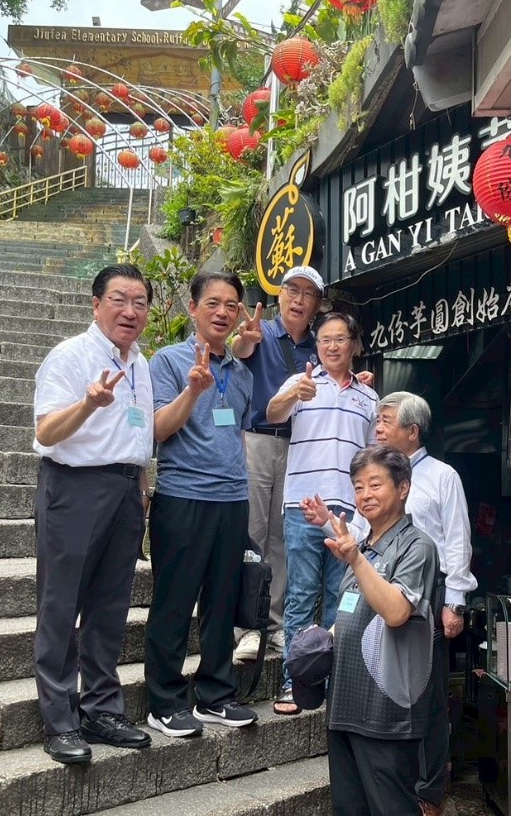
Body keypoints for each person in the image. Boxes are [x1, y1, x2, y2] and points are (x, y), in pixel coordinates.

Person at [303, 391, 475, 816]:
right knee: (389, 696)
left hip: (423, 600)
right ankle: (391, 789)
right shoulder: (374, 477)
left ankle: (430, 792)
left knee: (427, 699)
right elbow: (361, 534)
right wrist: (327, 521)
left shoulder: (442, 476)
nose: (377, 427)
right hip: (376, 598)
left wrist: (455, 600)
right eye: (376, 421)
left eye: (386, 421)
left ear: (412, 431)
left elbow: (455, 540)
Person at [31, 264, 155, 764]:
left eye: (140, 301)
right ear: (96, 303)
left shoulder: (140, 363)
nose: (131, 311)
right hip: (75, 487)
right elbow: (46, 433)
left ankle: (101, 708)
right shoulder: (70, 356)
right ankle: (60, 719)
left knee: (109, 606)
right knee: (62, 604)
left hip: (127, 491)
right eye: (120, 299)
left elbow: (136, 433)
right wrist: (87, 403)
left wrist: (141, 488)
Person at [229, 266, 373, 662]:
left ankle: (271, 625)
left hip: (299, 447)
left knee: (281, 541)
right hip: (259, 439)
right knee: (254, 535)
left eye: (308, 294)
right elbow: (240, 353)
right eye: (292, 290)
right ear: (280, 295)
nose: (298, 299)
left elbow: (334, 379)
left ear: (317, 304)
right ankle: (246, 628)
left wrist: (356, 383)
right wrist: (243, 341)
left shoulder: (317, 343)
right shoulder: (261, 332)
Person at [322, 445, 441, 816]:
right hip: (346, 707)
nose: (365, 494)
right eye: (358, 486)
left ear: (403, 488)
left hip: (387, 713)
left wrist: (355, 561)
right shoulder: (364, 546)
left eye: (375, 484)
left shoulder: (417, 548)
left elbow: (395, 611)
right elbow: (349, 617)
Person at [145, 270, 258, 739]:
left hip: (232, 499)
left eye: (232, 305)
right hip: (182, 495)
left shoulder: (243, 373)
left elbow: (233, 433)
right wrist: (193, 388)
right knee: (174, 601)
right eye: (213, 303)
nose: (223, 312)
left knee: (222, 601)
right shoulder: (168, 361)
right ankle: (165, 701)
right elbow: (156, 430)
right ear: (192, 308)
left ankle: (215, 693)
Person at [266, 311, 378, 716]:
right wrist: (294, 393)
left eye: (340, 339)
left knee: (341, 600)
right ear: (317, 346)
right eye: (325, 339)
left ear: (354, 345)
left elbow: (370, 458)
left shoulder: (369, 398)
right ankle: (293, 684)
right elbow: (272, 414)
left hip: (346, 514)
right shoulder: (302, 384)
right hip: (301, 506)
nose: (332, 346)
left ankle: (334, 687)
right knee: (299, 596)